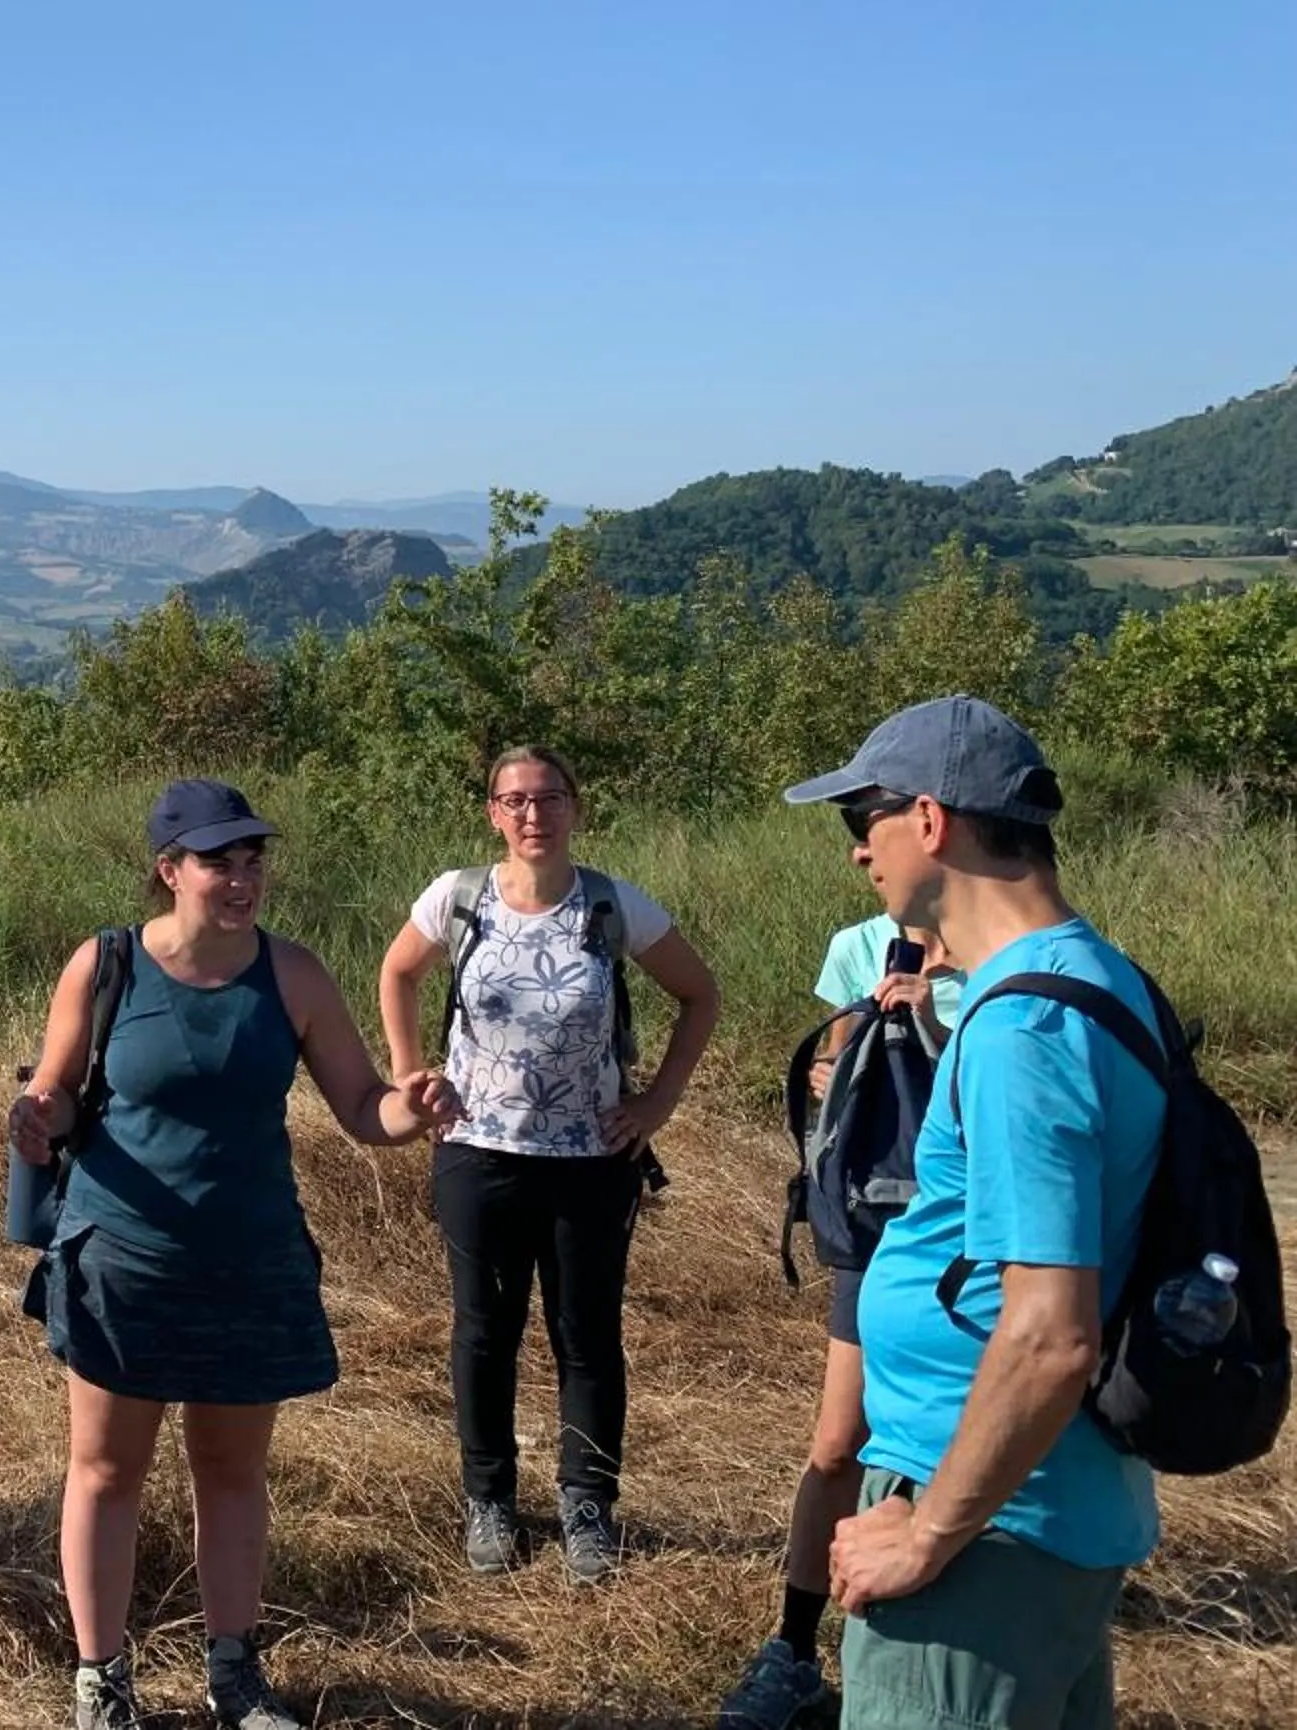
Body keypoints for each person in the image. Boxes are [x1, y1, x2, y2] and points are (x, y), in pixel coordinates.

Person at [11, 780, 459, 1730]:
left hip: (251, 1259)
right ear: (169, 869)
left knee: (232, 1471)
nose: (242, 876)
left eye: (253, 858)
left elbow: (360, 1106)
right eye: (219, 860)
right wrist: (37, 1120)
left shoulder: (291, 975)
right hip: (123, 1259)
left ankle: (234, 1675)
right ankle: (103, 1681)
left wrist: (408, 1111)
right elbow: (51, 1093)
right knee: (105, 1470)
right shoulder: (106, 965)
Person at [789, 697, 1165, 1730]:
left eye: (860, 820)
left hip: (988, 1535)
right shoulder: (1097, 979)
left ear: (929, 819)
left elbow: (1049, 1333)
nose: (859, 854)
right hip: (1038, 1509)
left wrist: (927, 1532)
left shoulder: (1024, 1023)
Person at [376, 744, 722, 1580]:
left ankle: (588, 1508)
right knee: (484, 1333)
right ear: (493, 812)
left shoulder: (611, 904)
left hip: (591, 1160)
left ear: (576, 807)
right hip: (477, 1153)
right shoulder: (457, 898)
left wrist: (656, 1104)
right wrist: (409, 1074)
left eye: (550, 798)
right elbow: (397, 971)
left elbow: (699, 994)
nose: (534, 815)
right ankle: (490, 1502)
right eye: (516, 800)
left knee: (587, 1336)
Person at [717, 915, 962, 1730]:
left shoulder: (1002, 952)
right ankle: (793, 1651)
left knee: (956, 1438)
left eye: (879, 824)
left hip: (971, 1235)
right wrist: (833, 1067)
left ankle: (939, 1642)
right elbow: (843, 1064)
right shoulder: (858, 945)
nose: (865, 851)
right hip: (874, 1225)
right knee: (836, 1445)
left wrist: (934, 1022)